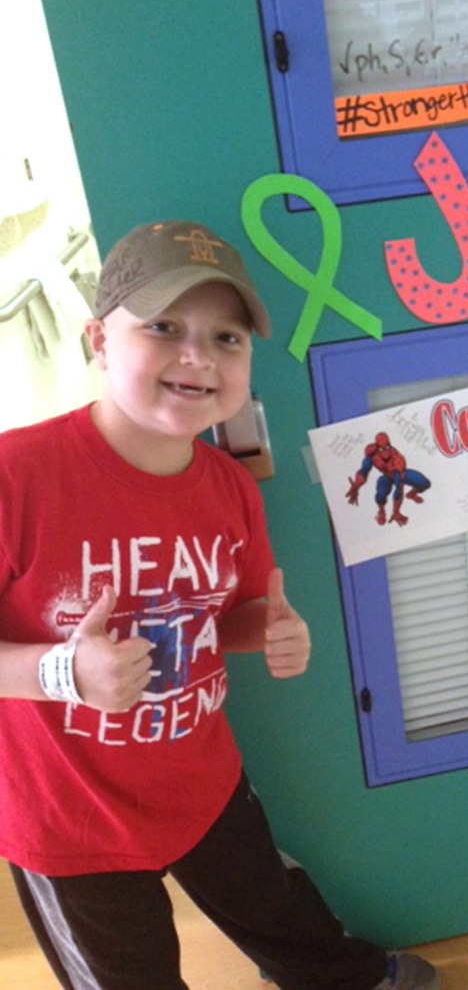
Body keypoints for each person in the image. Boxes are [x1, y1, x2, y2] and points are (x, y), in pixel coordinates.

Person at [0, 220, 443, 990]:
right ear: (99, 339)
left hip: (202, 779)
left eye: (227, 337)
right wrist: (66, 672)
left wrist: (268, 628)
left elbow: (230, 612)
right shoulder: (18, 474)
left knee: (278, 907)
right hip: (70, 816)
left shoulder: (228, 486)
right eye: (163, 326)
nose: (197, 356)